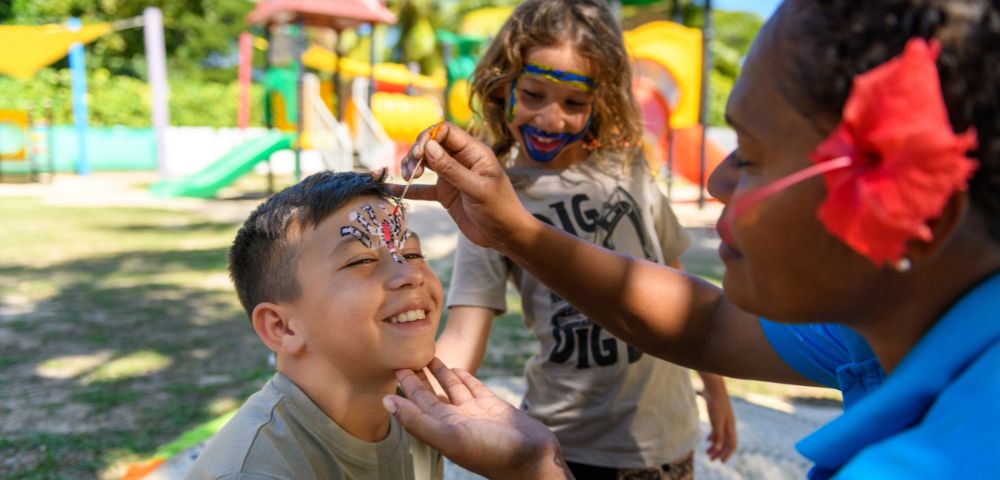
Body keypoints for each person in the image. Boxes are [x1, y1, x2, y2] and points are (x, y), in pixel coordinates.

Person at [384, 0, 1000, 478]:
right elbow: (705, 327)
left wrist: (533, 469)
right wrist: (516, 232)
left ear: (915, 202)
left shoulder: (939, 459)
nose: (716, 178)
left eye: (750, 157)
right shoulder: (887, 329)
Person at [431, 1, 736, 478]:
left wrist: (714, 389)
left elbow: (680, 291)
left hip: (669, 437)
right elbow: (466, 330)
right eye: (533, 94)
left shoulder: (629, 171)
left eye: (575, 103)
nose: (552, 120)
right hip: (571, 449)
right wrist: (425, 400)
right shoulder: (489, 202)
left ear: (602, 103)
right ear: (502, 87)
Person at [185, 171, 444, 480]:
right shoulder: (257, 472)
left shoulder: (423, 420)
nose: (410, 274)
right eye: (361, 260)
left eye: (412, 253)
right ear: (282, 328)